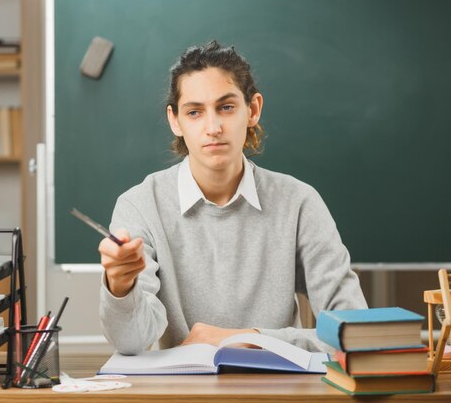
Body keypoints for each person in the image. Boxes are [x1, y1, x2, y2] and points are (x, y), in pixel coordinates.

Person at [99, 41, 367, 355]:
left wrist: (250, 338)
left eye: (226, 107)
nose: (213, 127)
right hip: (184, 392)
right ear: (175, 121)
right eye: (195, 112)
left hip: (283, 391)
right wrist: (120, 287)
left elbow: (354, 331)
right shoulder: (141, 206)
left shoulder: (299, 203)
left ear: (252, 110)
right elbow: (131, 344)